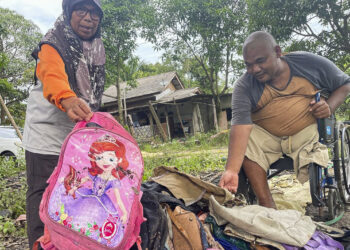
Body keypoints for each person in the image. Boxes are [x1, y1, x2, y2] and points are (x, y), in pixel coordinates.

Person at [219, 31, 350, 209]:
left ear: (278, 52)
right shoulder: (244, 85)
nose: (254, 70)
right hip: (268, 138)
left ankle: (318, 201)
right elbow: (240, 126)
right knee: (247, 142)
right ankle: (267, 204)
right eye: (248, 65)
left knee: (316, 144)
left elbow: (344, 84)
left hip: (305, 135)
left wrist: (329, 106)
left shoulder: (309, 63)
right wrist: (231, 171)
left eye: (260, 61)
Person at [22, 0, 105, 248]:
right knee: (42, 194)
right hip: (46, 135)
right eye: (82, 11)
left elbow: (94, 93)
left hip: (77, 137)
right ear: (69, 13)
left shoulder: (96, 48)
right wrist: (67, 98)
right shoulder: (53, 43)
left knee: (75, 191)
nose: (89, 18)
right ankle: (40, 244)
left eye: (94, 13)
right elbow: (52, 75)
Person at [49, 135, 132, 246]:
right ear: (94, 159)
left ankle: (90, 240)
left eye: (111, 159)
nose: (104, 162)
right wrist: (73, 188)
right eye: (99, 158)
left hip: (102, 203)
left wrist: (125, 213)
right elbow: (84, 180)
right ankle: (76, 236)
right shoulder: (96, 175)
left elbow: (119, 200)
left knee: (97, 218)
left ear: (119, 160)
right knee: (77, 211)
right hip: (88, 196)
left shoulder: (113, 180)